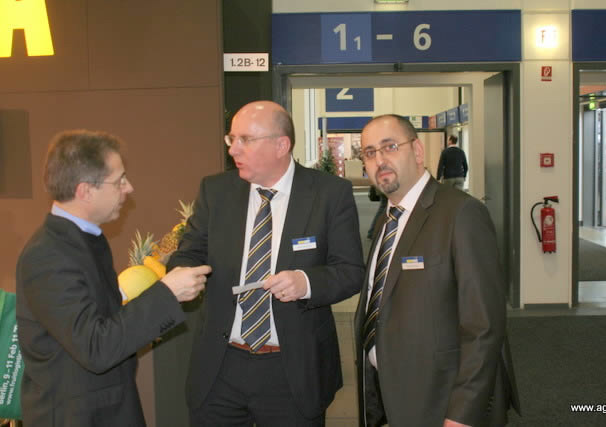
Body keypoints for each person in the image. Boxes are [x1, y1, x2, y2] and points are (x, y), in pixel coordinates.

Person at [167, 100, 364, 426]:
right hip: (220, 367)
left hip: (292, 368)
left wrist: (306, 283)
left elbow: (350, 271)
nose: (233, 149)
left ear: (281, 145)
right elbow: (188, 253)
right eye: (232, 139)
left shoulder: (329, 194)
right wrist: (184, 273)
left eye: (245, 139)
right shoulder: (216, 191)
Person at [15, 130, 211, 427]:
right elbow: (95, 347)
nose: (129, 188)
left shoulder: (84, 239)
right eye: (119, 181)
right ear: (85, 191)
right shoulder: (48, 255)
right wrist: (167, 293)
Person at [355, 115, 519, 427]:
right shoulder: (388, 219)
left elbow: (484, 327)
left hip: (443, 401)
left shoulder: (461, 213)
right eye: (370, 152)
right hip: (393, 394)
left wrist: (462, 413)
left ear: (418, 151)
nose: (380, 160)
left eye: (390, 147)